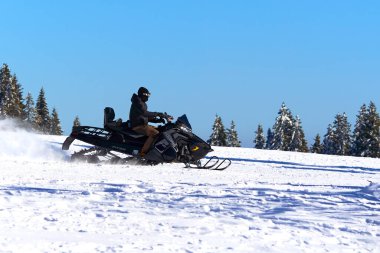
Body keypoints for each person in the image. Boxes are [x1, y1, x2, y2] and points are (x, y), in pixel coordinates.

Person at [129, 87, 165, 157]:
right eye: (146, 95)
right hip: (138, 126)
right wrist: (158, 114)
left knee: (159, 130)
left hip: (142, 124)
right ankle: (143, 154)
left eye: (148, 95)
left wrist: (157, 120)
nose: (147, 97)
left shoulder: (141, 102)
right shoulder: (138, 102)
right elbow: (144, 113)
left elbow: (144, 117)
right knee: (155, 134)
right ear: (142, 94)